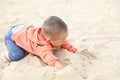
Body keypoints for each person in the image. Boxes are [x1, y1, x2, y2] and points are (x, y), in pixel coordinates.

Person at [1, 16, 77, 69]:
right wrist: (62, 68)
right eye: (62, 40)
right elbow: (49, 58)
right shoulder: (41, 45)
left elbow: (64, 43)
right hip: (11, 36)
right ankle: (5, 54)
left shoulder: (50, 35)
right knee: (18, 55)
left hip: (21, 28)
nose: (65, 41)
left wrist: (73, 50)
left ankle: (24, 42)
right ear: (48, 40)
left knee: (26, 40)